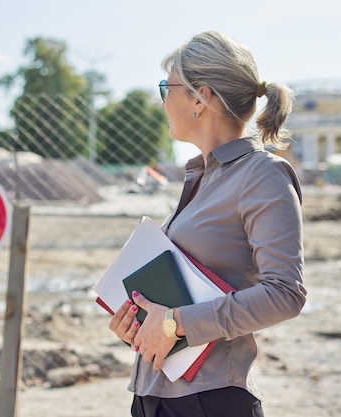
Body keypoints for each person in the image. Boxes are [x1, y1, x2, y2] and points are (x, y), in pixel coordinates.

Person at [109, 31, 307, 417]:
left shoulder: (263, 175)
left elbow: (285, 293)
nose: (163, 100)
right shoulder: (202, 176)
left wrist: (173, 324)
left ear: (201, 97)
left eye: (167, 86)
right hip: (152, 395)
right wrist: (140, 325)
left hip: (210, 402)